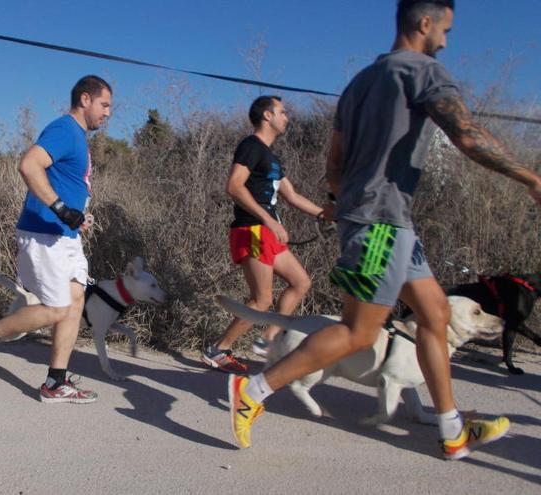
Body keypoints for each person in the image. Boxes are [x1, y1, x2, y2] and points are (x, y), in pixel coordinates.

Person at [228, 0, 541, 460]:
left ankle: (452, 431)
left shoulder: (359, 85)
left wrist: (350, 201)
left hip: (387, 221)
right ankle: (253, 388)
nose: (446, 42)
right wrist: (532, 179)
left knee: (434, 316)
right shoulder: (424, 72)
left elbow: (334, 164)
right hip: (381, 224)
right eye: (446, 31)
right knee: (357, 331)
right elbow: (468, 136)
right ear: (425, 23)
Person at [0, 75, 111, 403]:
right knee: (56, 309)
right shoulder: (64, 130)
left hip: (64, 235)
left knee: (74, 302)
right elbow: (29, 165)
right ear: (85, 99)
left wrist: (75, 215)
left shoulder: (77, 137)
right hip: (44, 234)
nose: (108, 113)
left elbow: (65, 183)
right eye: (105, 104)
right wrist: (59, 208)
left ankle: (55, 383)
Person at [202, 96, 329, 373]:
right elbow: (234, 186)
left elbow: (292, 196)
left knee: (301, 282)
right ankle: (218, 350)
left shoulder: (271, 157)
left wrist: (325, 214)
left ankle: (268, 339)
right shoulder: (251, 147)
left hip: (267, 231)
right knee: (261, 300)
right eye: (283, 112)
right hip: (254, 230)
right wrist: (269, 220)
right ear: (267, 116)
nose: (287, 118)